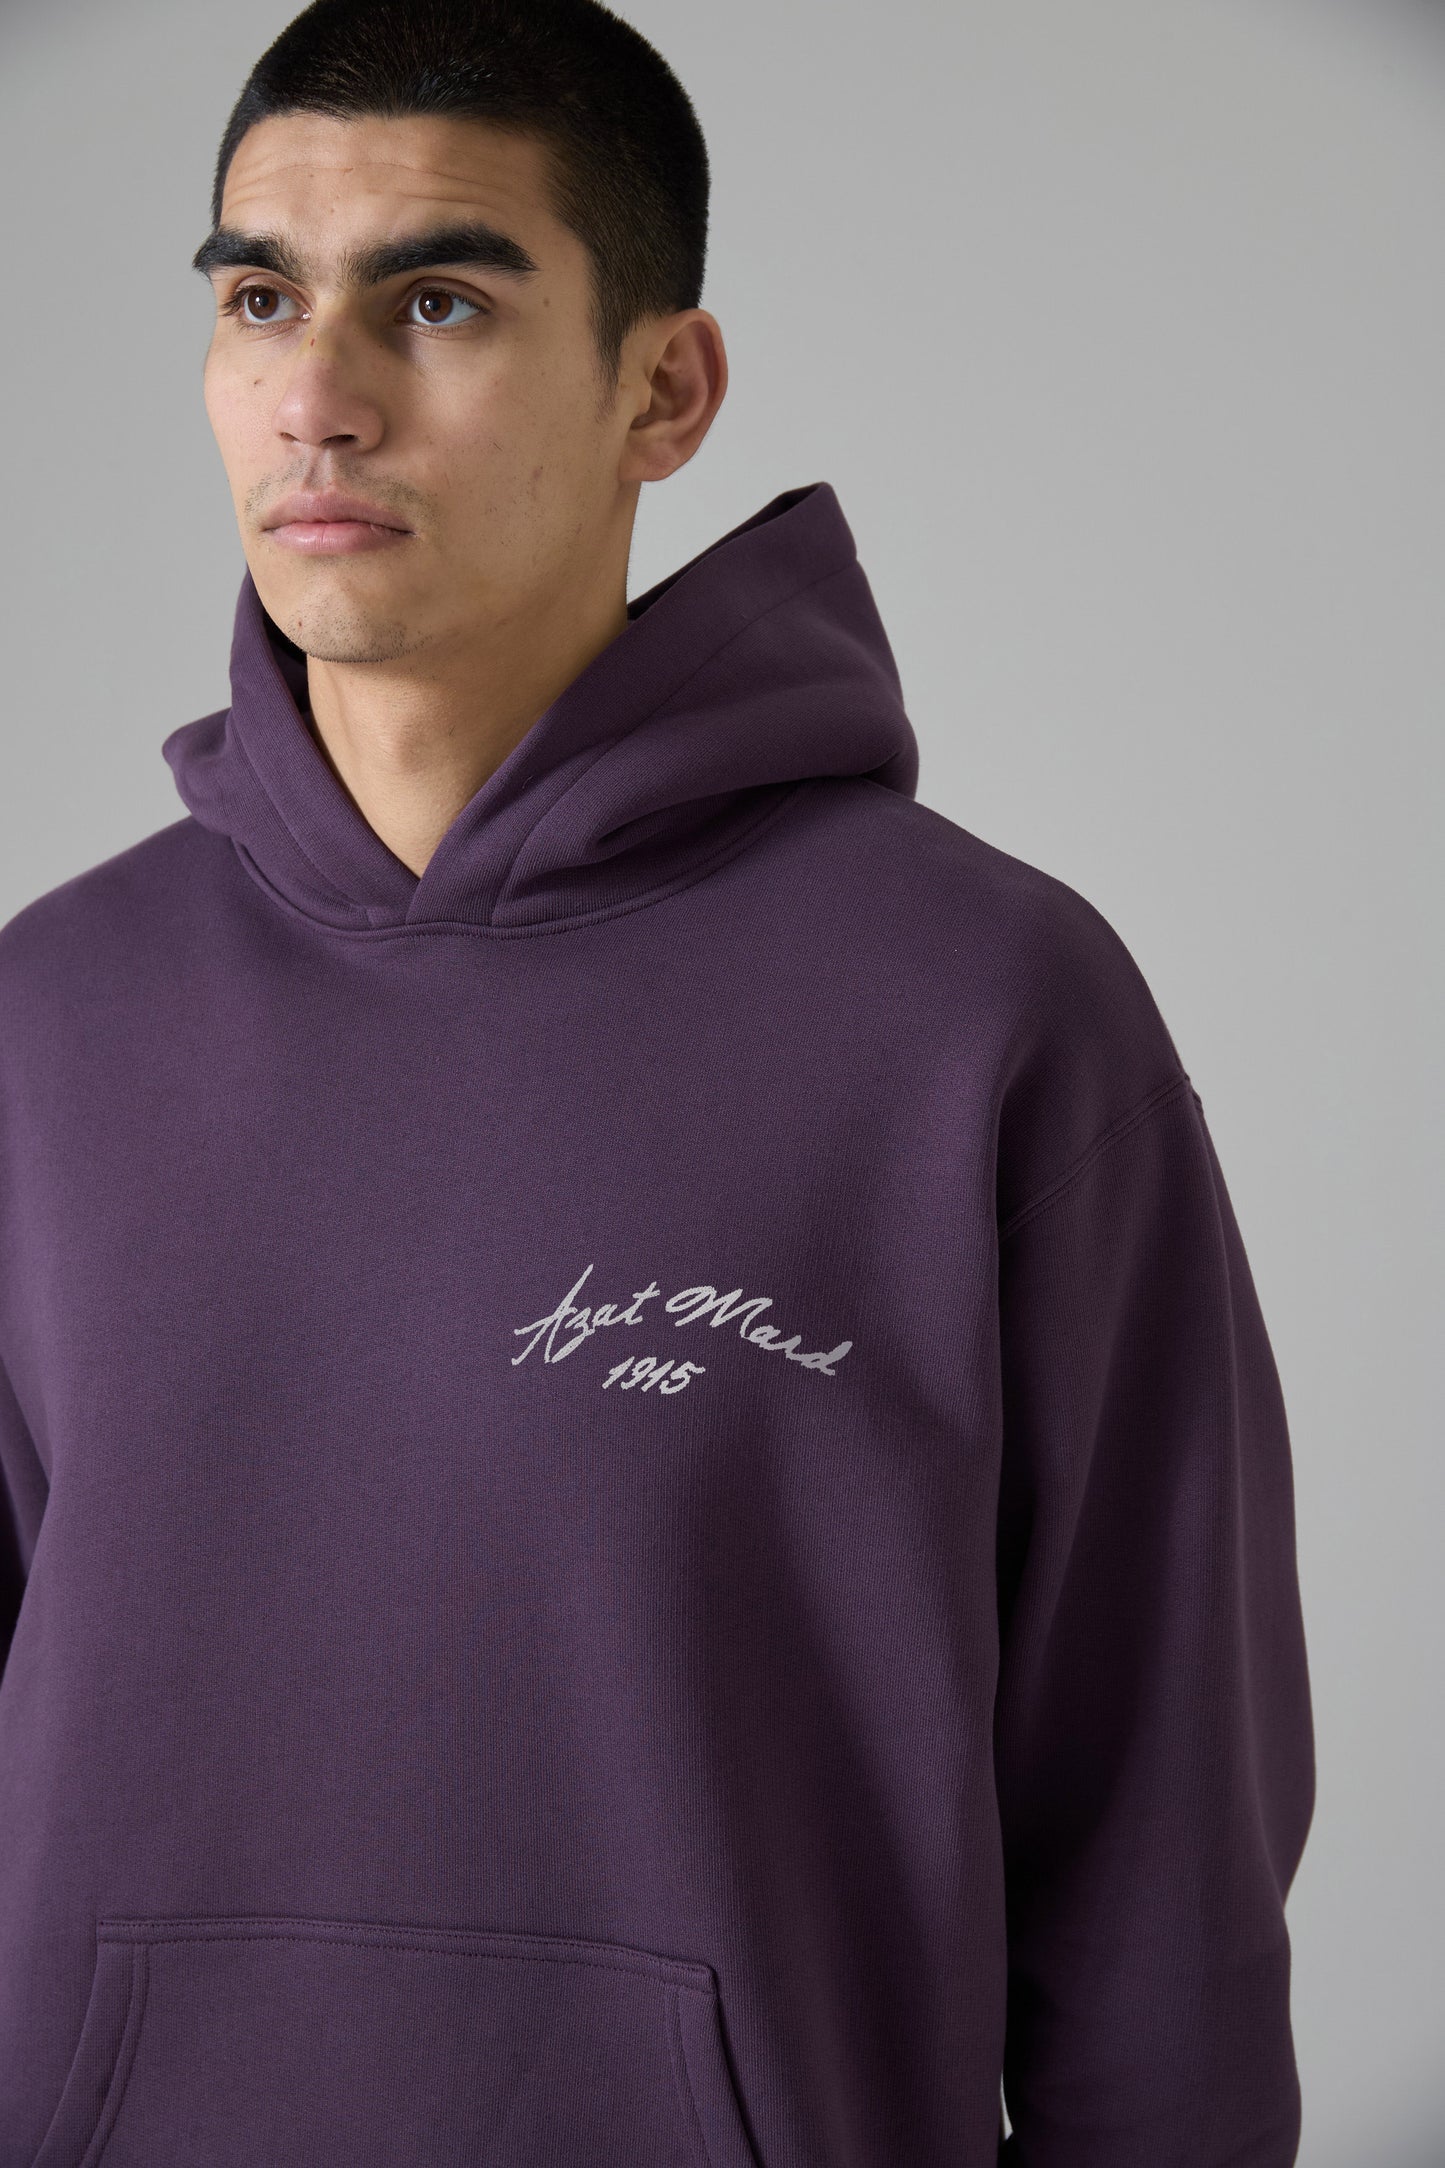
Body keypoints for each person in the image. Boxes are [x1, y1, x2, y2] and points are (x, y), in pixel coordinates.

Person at [0, 1, 1315, 2162]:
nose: (317, 396)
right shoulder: (49, 1019)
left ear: (664, 392)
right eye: (260, 300)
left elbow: (1159, 1856)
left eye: (438, 300)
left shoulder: (980, 1010)